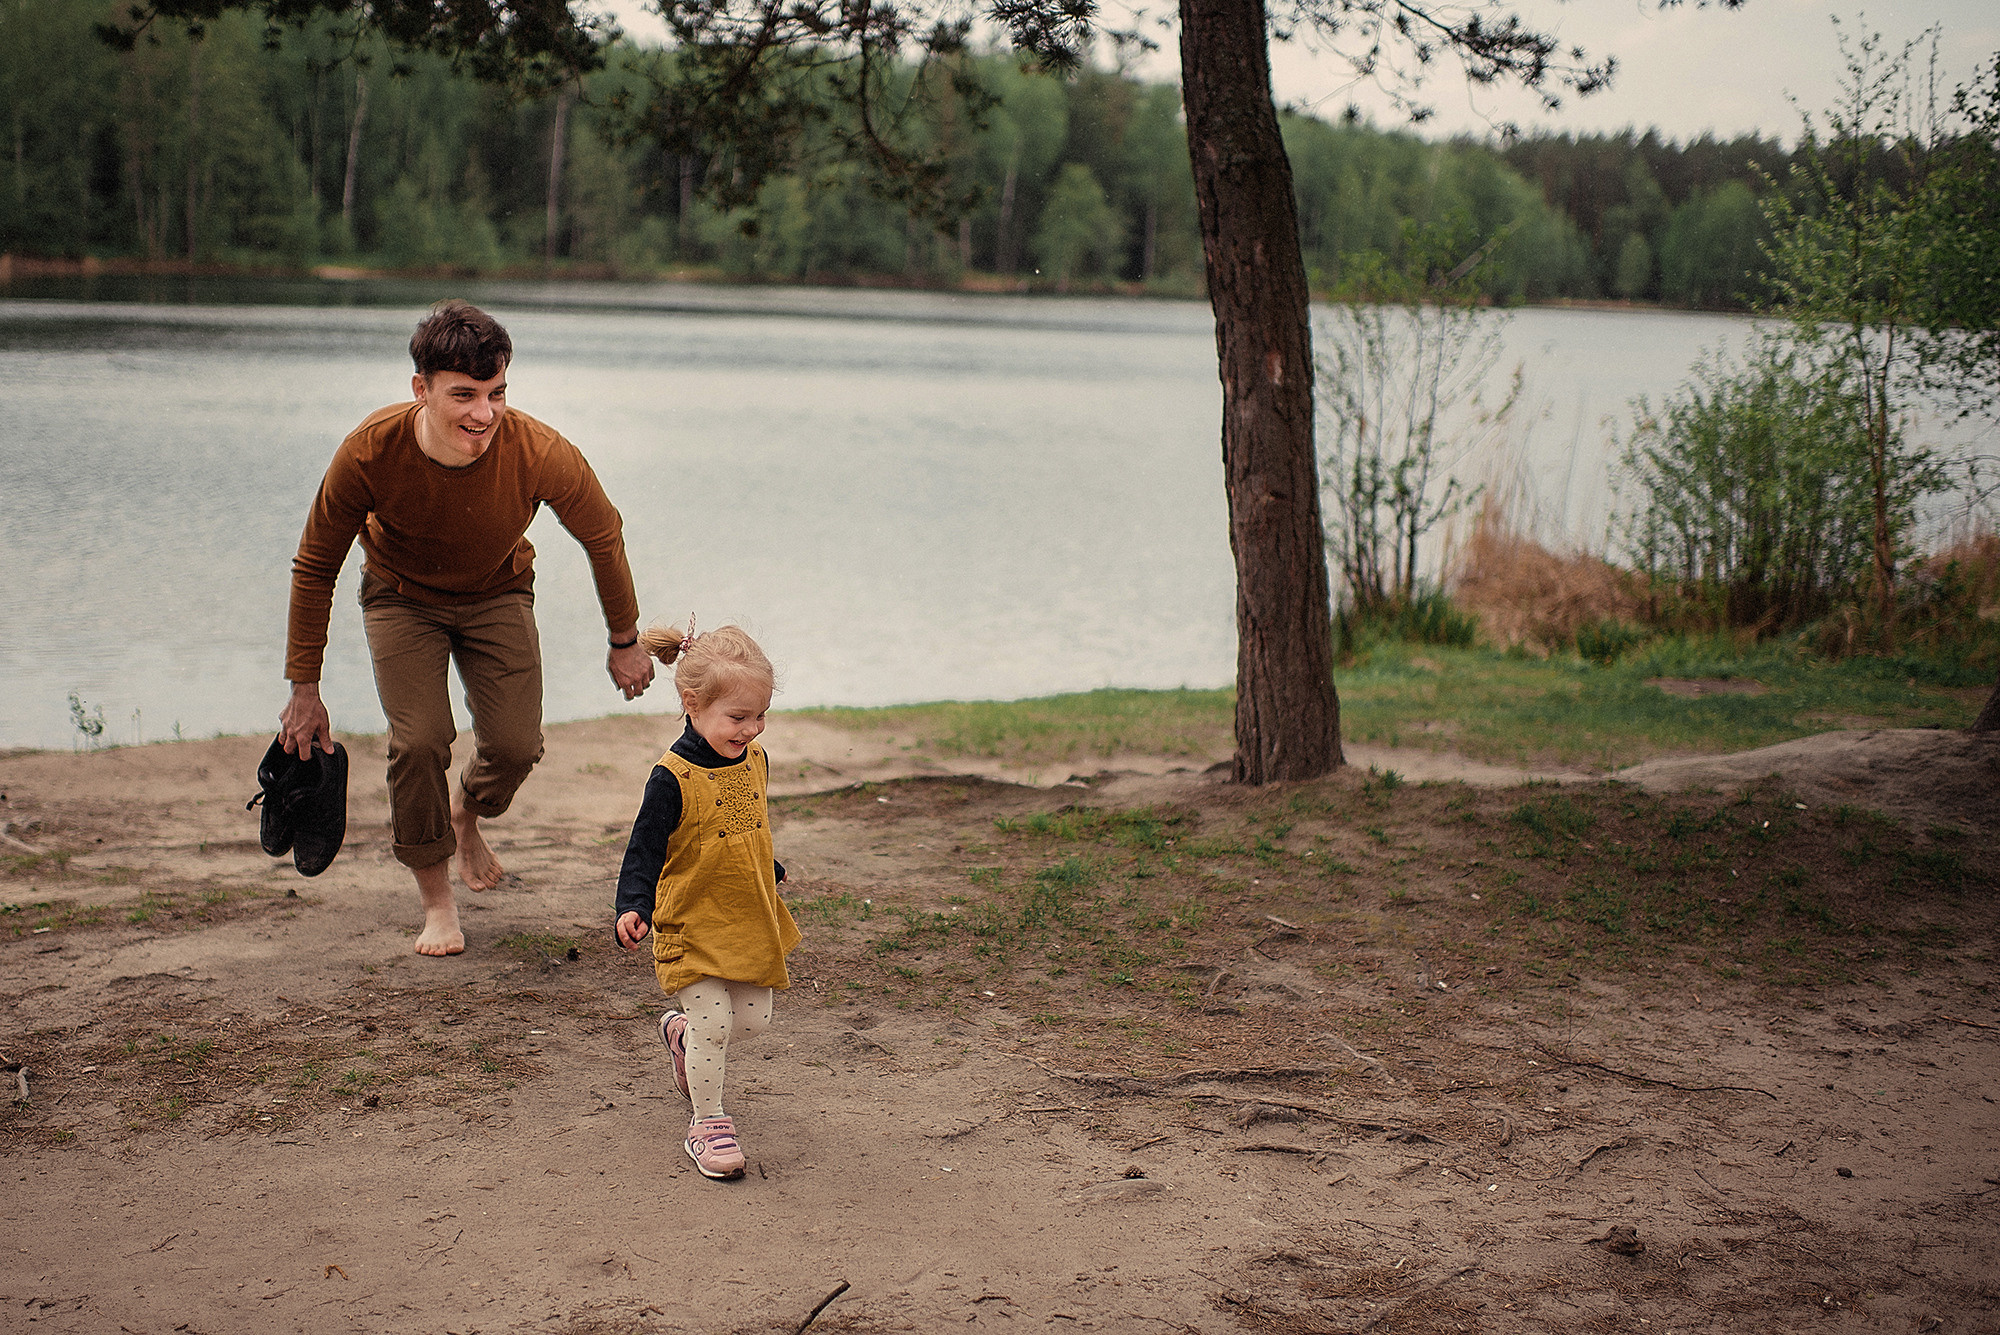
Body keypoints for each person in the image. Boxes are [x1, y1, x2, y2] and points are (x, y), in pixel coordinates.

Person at [280, 299, 656, 956]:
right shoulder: (369, 452)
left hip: (497, 592)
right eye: (464, 395)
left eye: (496, 393)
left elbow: (604, 534)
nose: (483, 413)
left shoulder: (538, 450)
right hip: (401, 598)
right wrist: (304, 689)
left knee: (515, 745)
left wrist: (624, 639)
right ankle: (437, 901)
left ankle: (467, 811)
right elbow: (315, 565)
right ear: (421, 389)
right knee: (420, 741)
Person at [614, 621, 800, 1181]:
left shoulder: (754, 761)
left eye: (760, 715)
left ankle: (680, 1035)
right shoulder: (671, 778)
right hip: (689, 920)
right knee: (715, 1024)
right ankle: (708, 1123)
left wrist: (767, 867)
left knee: (753, 1021)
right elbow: (644, 848)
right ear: (692, 704)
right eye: (738, 717)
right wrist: (634, 905)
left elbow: (745, 826)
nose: (752, 729)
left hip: (746, 915)